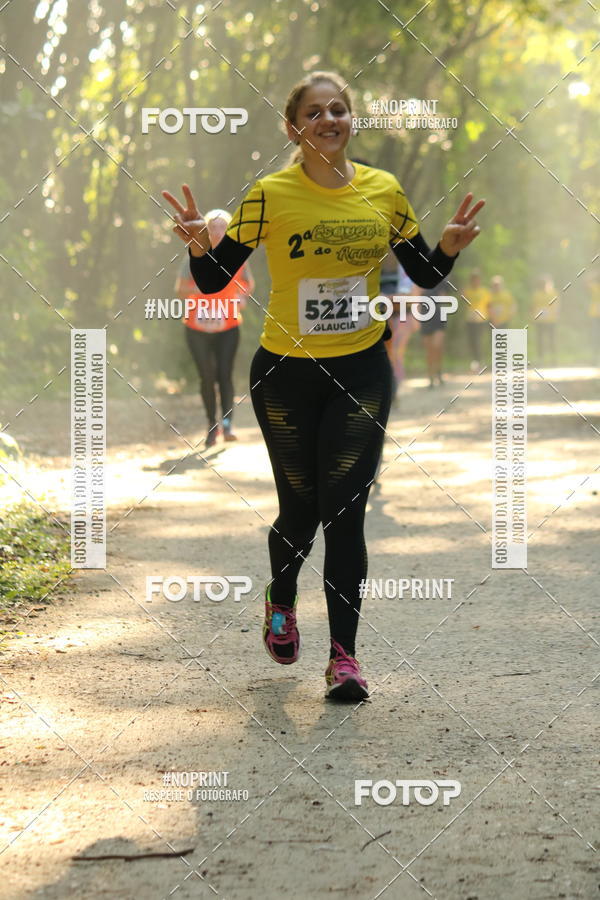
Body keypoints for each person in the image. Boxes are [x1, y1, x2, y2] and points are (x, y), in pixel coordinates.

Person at [162, 70, 485, 701]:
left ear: (351, 120)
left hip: (362, 368)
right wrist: (201, 247)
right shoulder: (270, 194)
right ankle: (281, 597)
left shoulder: (383, 189)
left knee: (347, 511)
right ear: (293, 127)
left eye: (339, 109)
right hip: (286, 374)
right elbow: (211, 281)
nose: (328, 119)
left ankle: (345, 658)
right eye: (314, 112)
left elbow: (420, 270)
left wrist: (446, 248)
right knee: (300, 510)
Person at [175, 209, 254, 447]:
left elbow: (249, 284)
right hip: (197, 327)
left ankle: (227, 425)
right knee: (206, 377)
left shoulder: (237, 256)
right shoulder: (192, 257)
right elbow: (179, 290)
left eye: (222, 227)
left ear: (228, 231)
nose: (218, 232)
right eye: (213, 227)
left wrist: (242, 297)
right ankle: (212, 427)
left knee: (224, 374)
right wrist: (201, 289)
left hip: (228, 325)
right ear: (205, 230)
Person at [420, 280, 451, 388]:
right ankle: (431, 377)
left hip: (438, 317)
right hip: (425, 317)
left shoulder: (442, 281)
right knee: (429, 350)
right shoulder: (419, 279)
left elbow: (445, 298)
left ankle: (438, 372)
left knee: (437, 346)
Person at [464, 269, 490, 370]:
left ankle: (480, 360)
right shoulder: (468, 291)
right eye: (473, 279)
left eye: (477, 279)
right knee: (472, 340)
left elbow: (488, 305)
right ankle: (475, 360)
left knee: (479, 340)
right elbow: (464, 302)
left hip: (482, 319)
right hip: (470, 319)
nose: (475, 281)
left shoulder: (484, 291)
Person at [531, 274, 558, 364]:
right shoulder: (536, 294)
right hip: (540, 320)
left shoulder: (553, 293)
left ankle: (553, 358)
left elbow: (557, 306)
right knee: (540, 339)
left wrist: (555, 314)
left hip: (551, 320)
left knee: (551, 339)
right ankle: (541, 358)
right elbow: (533, 306)